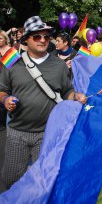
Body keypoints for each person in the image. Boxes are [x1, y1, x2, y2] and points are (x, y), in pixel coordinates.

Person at [0, 16, 87, 189]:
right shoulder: (12, 64)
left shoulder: (59, 65)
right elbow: (2, 89)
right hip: (17, 132)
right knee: (10, 180)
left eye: (46, 36)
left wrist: (76, 96)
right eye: (37, 36)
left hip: (48, 133)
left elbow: (67, 91)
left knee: (43, 181)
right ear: (26, 39)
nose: (43, 40)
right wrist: (5, 100)